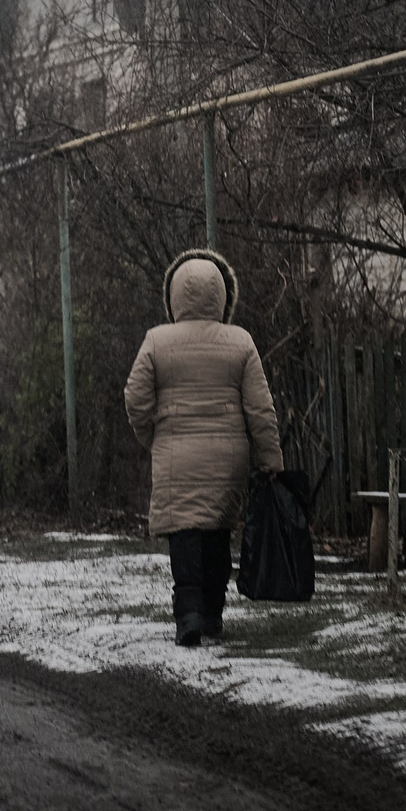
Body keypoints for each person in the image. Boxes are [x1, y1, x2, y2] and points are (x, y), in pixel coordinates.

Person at [124, 248, 284, 645]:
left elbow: (135, 398)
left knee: (185, 537)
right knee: (217, 534)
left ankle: (189, 615)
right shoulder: (240, 342)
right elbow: (261, 409)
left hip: (176, 457)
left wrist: (152, 436)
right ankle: (212, 613)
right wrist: (270, 460)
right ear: (222, 295)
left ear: (174, 295)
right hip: (228, 459)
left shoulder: (156, 341)